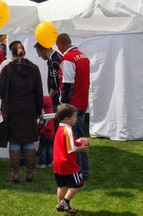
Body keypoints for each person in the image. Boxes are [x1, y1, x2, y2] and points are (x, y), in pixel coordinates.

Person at [0, 42, 43, 182]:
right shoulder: (34, 69)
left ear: (12, 53)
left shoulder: (7, 69)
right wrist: (38, 110)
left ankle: (15, 174)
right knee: (29, 141)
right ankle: (29, 173)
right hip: (29, 109)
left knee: (15, 142)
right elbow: (38, 92)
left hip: (12, 109)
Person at [56, 33, 90, 180]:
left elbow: (68, 85)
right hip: (82, 101)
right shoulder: (83, 56)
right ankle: (84, 170)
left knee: (73, 140)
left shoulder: (68, 59)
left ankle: (78, 171)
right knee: (80, 137)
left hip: (73, 105)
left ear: (62, 45)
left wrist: (63, 105)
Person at [53, 103, 88, 214]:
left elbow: (65, 144)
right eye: (74, 117)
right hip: (67, 163)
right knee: (78, 183)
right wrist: (81, 148)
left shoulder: (60, 128)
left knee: (62, 186)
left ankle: (61, 205)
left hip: (58, 162)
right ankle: (65, 202)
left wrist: (77, 142)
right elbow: (71, 149)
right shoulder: (68, 130)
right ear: (67, 119)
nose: (76, 119)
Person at [35, 42, 62, 110]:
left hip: (57, 99)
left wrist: (49, 99)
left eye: (39, 53)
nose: (39, 56)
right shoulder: (54, 58)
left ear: (45, 50)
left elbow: (55, 84)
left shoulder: (54, 60)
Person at [37, 96, 55, 169]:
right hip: (51, 135)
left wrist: (39, 132)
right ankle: (49, 162)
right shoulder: (52, 114)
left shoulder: (44, 116)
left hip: (45, 136)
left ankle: (42, 163)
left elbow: (42, 126)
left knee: (43, 149)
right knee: (50, 149)